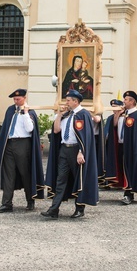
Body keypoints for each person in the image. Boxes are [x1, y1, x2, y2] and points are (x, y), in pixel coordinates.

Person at [42, 89, 98, 219]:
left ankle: (80, 208)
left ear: (75, 101)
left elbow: (86, 136)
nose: (66, 102)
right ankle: (54, 209)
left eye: (68, 100)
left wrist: (81, 152)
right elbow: (56, 130)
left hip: (76, 150)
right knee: (60, 179)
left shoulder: (83, 114)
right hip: (64, 150)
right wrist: (60, 115)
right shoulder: (67, 115)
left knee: (79, 179)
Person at [0, 89, 44, 213]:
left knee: (25, 174)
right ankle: (7, 203)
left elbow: (30, 129)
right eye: (14, 99)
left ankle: (30, 200)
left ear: (24, 98)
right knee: (8, 174)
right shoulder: (10, 110)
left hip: (23, 144)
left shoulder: (30, 112)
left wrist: (25, 113)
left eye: (18, 99)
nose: (16, 101)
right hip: (9, 144)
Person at [104, 91, 137, 205]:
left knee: (130, 170)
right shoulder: (122, 114)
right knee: (122, 168)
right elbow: (114, 126)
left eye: (126, 99)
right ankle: (125, 188)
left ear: (132, 101)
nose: (124, 101)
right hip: (121, 145)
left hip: (132, 148)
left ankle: (128, 193)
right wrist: (117, 114)